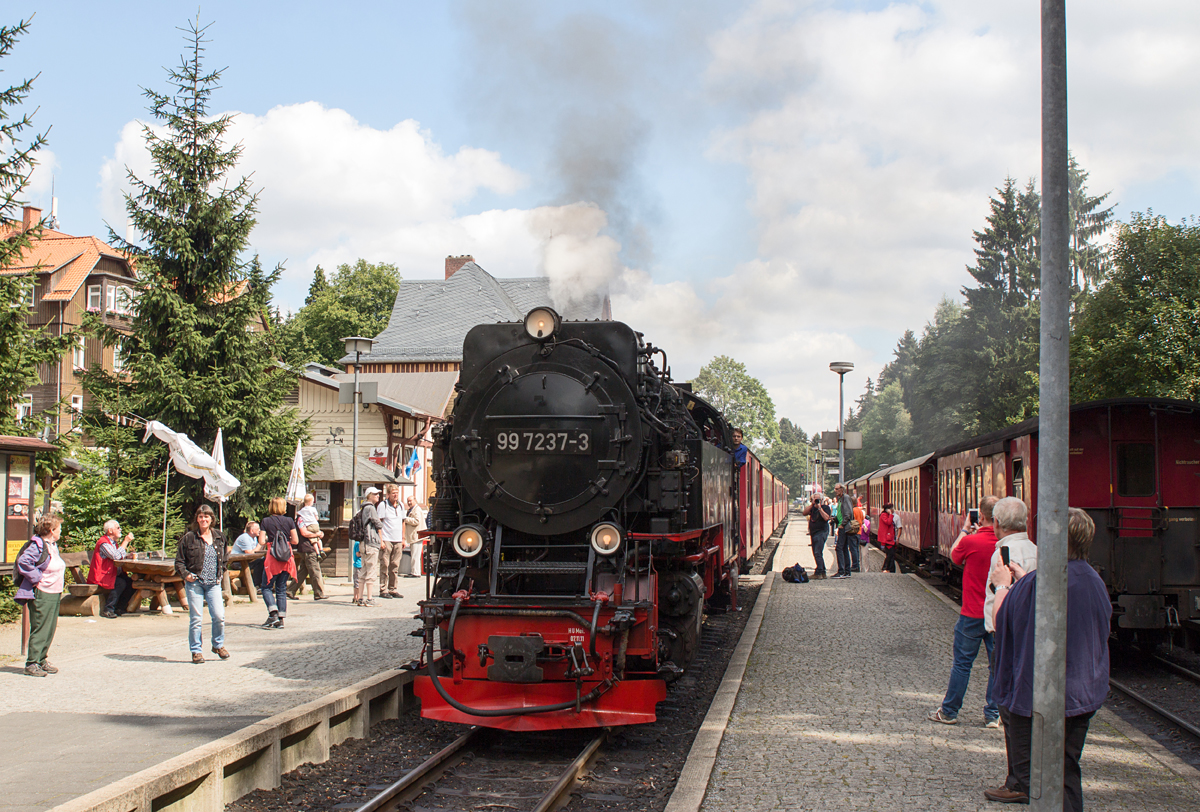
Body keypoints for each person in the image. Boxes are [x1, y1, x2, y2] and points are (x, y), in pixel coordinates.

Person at [985, 508, 1111, 809]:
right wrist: (1027, 579)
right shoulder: (1093, 579)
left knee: (1036, 780)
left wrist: (1003, 585)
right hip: (1082, 694)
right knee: (1067, 772)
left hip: (1038, 700)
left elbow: (1001, 622)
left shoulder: (1040, 583)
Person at [928, 495, 1001, 727]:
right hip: (998, 615)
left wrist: (965, 530)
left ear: (980, 516)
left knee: (962, 664)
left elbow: (954, 555)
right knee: (997, 666)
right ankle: (993, 714)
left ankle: (949, 712)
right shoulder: (1004, 545)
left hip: (972, 613)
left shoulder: (972, 541)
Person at [174, 505, 230, 663]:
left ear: (212, 519)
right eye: (200, 517)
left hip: (213, 583)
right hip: (195, 583)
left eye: (206, 516)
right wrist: (186, 575)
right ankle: (196, 651)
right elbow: (179, 562)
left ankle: (218, 645)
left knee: (219, 616)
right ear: (197, 519)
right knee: (196, 618)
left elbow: (225, 557)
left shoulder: (219, 536)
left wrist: (221, 571)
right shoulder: (189, 538)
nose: (203, 519)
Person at [15, 515, 66, 677]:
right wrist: (37, 578)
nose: (61, 532)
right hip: (42, 592)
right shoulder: (37, 545)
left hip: (54, 591)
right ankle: (31, 663)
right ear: (51, 531)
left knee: (50, 628)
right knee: (40, 627)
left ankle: (41, 659)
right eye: (59, 529)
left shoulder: (52, 545)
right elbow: (24, 562)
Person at [983, 497, 1039, 634]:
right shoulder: (1036, 550)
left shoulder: (1002, 555)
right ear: (1026, 521)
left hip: (1008, 631)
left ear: (996, 522)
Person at [258, 497, 299, 628]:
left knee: (266, 587)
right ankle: (281, 619)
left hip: (272, 557)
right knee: (281, 588)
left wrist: (270, 538)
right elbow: (295, 541)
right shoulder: (289, 521)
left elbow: (261, 541)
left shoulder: (266, 521)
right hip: (286, 557)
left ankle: (273, 613)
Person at [88, 519, 137, 619]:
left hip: (111, 574)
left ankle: (119, 607)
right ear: (110, 530)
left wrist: (127, 556)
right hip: (102, 576)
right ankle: (108, 609)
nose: (120, 529)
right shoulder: (103, 543)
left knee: (131, 582)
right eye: (118, 528)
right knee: (120, 583)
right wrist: (126, 541)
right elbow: (115, 556)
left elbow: (118, 554)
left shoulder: (113, 543)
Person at [289, 496, 327, 601]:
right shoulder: (301, 518)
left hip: (308, 547)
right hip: (307, 547)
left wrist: (319, 534)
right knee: (315, 570)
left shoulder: (307, 518)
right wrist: (317, 534)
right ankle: (318, 593)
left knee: (303, 571)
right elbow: (304, 532)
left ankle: (290, 590)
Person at [376, 484, 406, 597]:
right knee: (385, 564)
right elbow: (379, 523)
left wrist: (403, 538)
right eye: (393, 493)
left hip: (397, 539)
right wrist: (381, 540)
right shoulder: (383, 505)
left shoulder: (401, 506)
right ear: (388, 494)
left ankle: (393, 588)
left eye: (397, 493)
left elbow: (403, 522)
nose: (395, 495)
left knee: (395, 565)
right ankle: (383, 589)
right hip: (387, 538)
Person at [356, 487, 384, 606]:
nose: (378, 496)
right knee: (371, 571)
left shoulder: (362, 508)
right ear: (369, 495)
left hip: (363, 543)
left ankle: (360, 598)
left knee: (363, 570)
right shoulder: (371, 508)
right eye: (376, 494)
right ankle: (369, 598)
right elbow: (378, 524)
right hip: (370, 542)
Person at [831, 483, 857, 579]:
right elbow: (841, 513)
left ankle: (841, 571)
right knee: (844, 548)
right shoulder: (841, 499)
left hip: (844, 527)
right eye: (835, 489)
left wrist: (842, 524)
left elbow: (848, 513)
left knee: (839, 548)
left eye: (837, 489)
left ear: (842, 489)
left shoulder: (846, 498)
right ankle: (847, 571)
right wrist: (835, 519)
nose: (835, 491)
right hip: (842, 526)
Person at [802, 493, 832, 578]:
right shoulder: (812, 508)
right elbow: (804, 513)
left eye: (817, 499)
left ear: (822, 500)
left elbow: (826, 518)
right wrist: (812, 505)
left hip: (822, 532)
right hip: (814, 532)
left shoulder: (826, 508)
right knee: (816, 553)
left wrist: (819, 508)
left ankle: (818, 573)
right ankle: (823, 572)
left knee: (817, 552)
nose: (816, 501)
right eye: (814, 499)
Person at [402, 496, 427, 577]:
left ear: (415, 500)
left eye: (410, 501)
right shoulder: (412, 509)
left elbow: (416, 521)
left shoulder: (417, 509)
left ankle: (415, 573)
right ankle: (414, 571)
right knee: (414, 555)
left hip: (417, 536)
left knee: (415, 556)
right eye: (408, 501)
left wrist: (405, 519)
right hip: (414, 536)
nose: (409, 502)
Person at [877, 503, 898, 573]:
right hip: (887, 539)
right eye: (891, 508)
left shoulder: (886, 515)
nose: (892, 509)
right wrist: (891, 514)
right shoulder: (884, 515)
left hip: (889, 538)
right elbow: (888, 522)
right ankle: (887, 568)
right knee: (890, 554)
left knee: (890, 554)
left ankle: (889, 568)